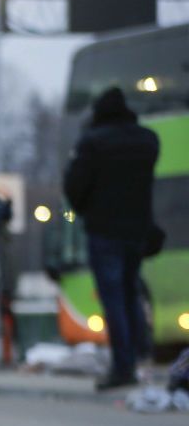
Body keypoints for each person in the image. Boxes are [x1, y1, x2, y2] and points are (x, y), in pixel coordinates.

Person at [63, 87, 160, 390]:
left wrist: (86, 209)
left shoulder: (93, 143)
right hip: (137, 230)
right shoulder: (147, 140)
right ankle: (142, 354)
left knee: (113, 297)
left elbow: (74, 186)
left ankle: (123, 366)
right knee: (132, 292)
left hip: (104, 231)